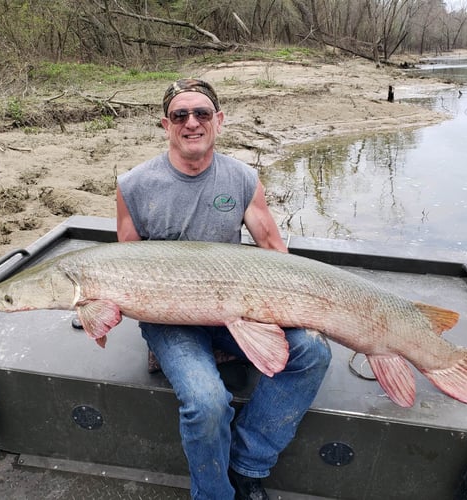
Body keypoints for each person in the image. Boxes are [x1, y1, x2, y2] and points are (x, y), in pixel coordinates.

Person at [116, 78, 332, 500]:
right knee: (207, 401)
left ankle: (248, 463)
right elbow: (128, 265)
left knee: (313, 351)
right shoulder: (134, 186)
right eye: (181, 115)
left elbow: (272, 248)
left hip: (235, 306)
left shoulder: (242, 177)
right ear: (166, 124)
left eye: (201, 114)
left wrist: (301, 309)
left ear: (219, 120)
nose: (191, 123)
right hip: (171, 319)